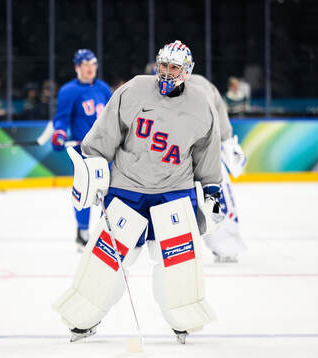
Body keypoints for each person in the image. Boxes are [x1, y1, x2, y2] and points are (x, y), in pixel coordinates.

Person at [54, 40, 223, 344]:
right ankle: (83, 318)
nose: (167, 73)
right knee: (109, 260)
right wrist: (92, 164)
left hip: (175, 191)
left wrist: (211, 189)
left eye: (174, 67)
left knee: (174, 261)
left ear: (187, 70)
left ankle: (180, 318)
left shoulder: (201, 104)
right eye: (163, 65)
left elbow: (207, 153)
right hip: (127, 187)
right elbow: (105, 132)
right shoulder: (133, 90)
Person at [50, 49, 112, 251]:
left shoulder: (103, 88)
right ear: (78, 68)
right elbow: (61, 118)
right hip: (83, 151)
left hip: (106, 150)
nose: (90, 68)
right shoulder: (69, 91)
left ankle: (107, 233)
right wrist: (59, 132)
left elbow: (114, 116)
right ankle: (82, 232)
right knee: (85, 191)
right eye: (86, 65)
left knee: (109, 192)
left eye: (93, 64)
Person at [190, 74, 247, 263]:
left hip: (208, 156)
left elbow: (221, 120)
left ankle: (226, 245)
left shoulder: (202, 86)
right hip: (181, 156)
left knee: (215, 199)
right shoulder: (161, 90)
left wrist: (227, 141)